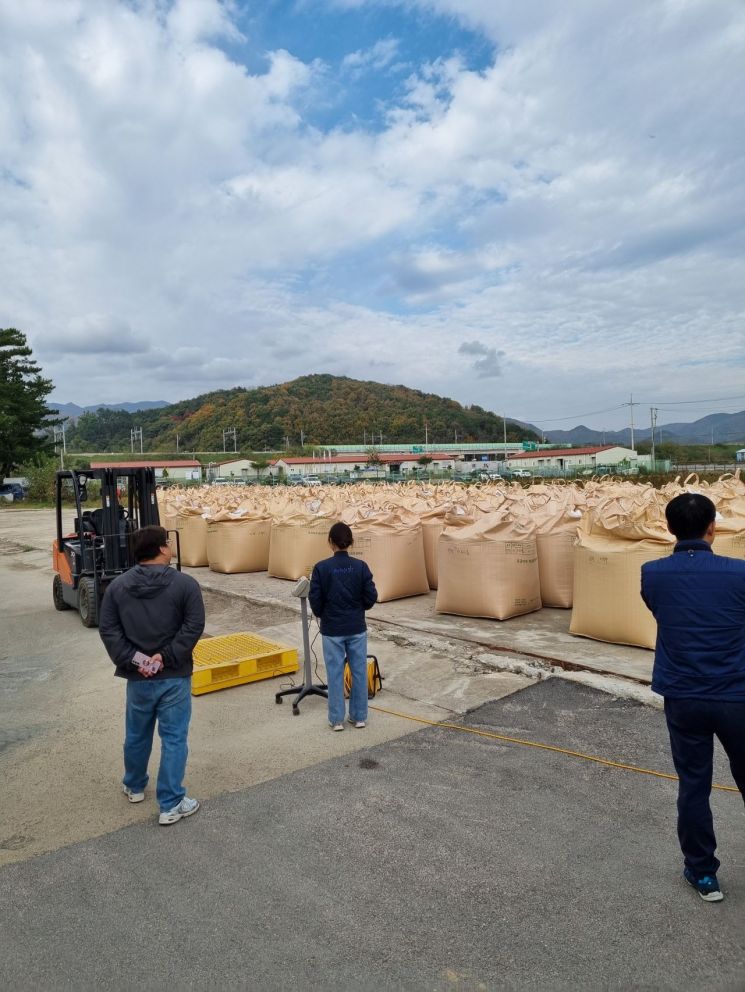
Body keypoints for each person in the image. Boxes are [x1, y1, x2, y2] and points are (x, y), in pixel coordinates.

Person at [641, 493, 745, 902]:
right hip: (737, 693)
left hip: (683, 695)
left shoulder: (653, 573)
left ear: (669, 528)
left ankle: (703, 874)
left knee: (694, 785)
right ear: (712, 528)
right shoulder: (739, 573)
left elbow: (661, 613)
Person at [99, 524, 205, 826]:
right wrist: (167, 656)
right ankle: (170, 803)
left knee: (136, 734)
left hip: (139, 679)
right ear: (161, 549)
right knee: (173, 739)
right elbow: (193, 626)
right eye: (168, 542)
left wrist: (135, 660)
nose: (170, 546)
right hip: (174, 676)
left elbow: (109, 630)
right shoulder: (185, 585)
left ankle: (134, 785)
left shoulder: (118, 587)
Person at [309, 522, 377, 731]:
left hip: (332, 630)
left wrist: (324, 614)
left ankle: (337, 719)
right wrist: (359, 609)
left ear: (330, 542)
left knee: (335, 673)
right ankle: (359, 717)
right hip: (356, 627)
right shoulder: (361, 566)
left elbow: (315, 599)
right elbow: (371, 596)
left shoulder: (321, 568)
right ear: (350, 542)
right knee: (358, 671)